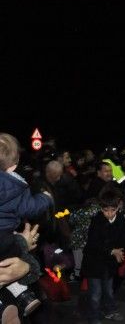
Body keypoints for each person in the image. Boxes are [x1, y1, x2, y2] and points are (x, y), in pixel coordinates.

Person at [0, 133, 53, 315]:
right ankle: (24, 295)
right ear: (14, 165)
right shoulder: (16, 186)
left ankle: (10, 301)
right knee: (20, 261)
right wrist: (45, 199)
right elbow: (29, 208)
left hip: (7, 238)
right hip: (6, 238)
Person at [81, 187, 125, 324]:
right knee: (95, 294)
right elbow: (93, 244)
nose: (109, 214)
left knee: (109, 290)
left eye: (112, 210)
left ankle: (110, 310)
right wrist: (112, 251)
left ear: (118, 207)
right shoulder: (97, 221)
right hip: (94, 264)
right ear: (101, 208)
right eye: (105, 210)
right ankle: (94, 317)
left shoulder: (121, 221)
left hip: (109, 264)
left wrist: (120, 250)